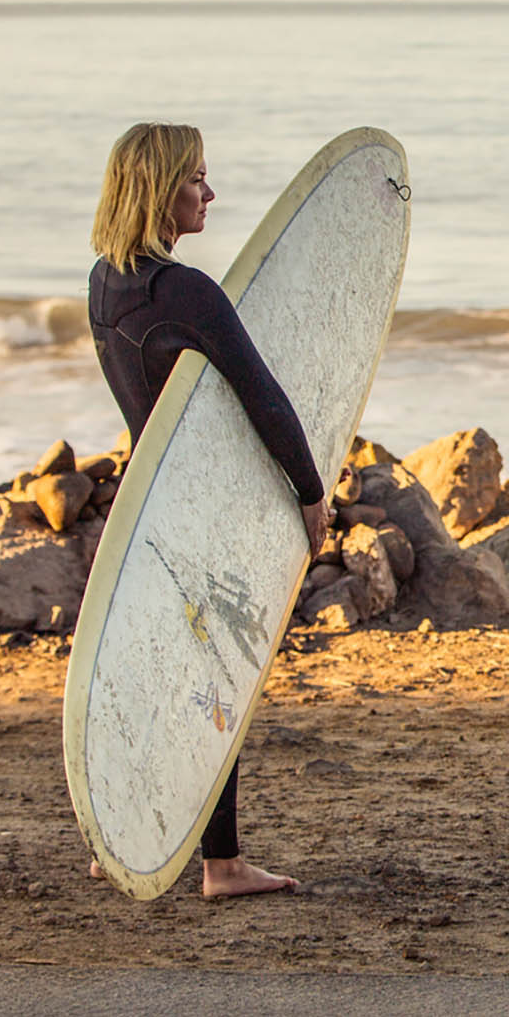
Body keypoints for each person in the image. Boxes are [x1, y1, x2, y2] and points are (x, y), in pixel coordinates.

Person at [85, 120, 331, 898]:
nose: (209, 193)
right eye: (196, 178)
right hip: (196, 520)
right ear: (161, 189)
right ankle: (221, 865)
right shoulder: (185, 292)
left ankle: (120, 838)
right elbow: (263, 397)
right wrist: (310, 492)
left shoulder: (104, 281)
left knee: (150, 679)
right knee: (219, 683)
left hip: (141, 514)